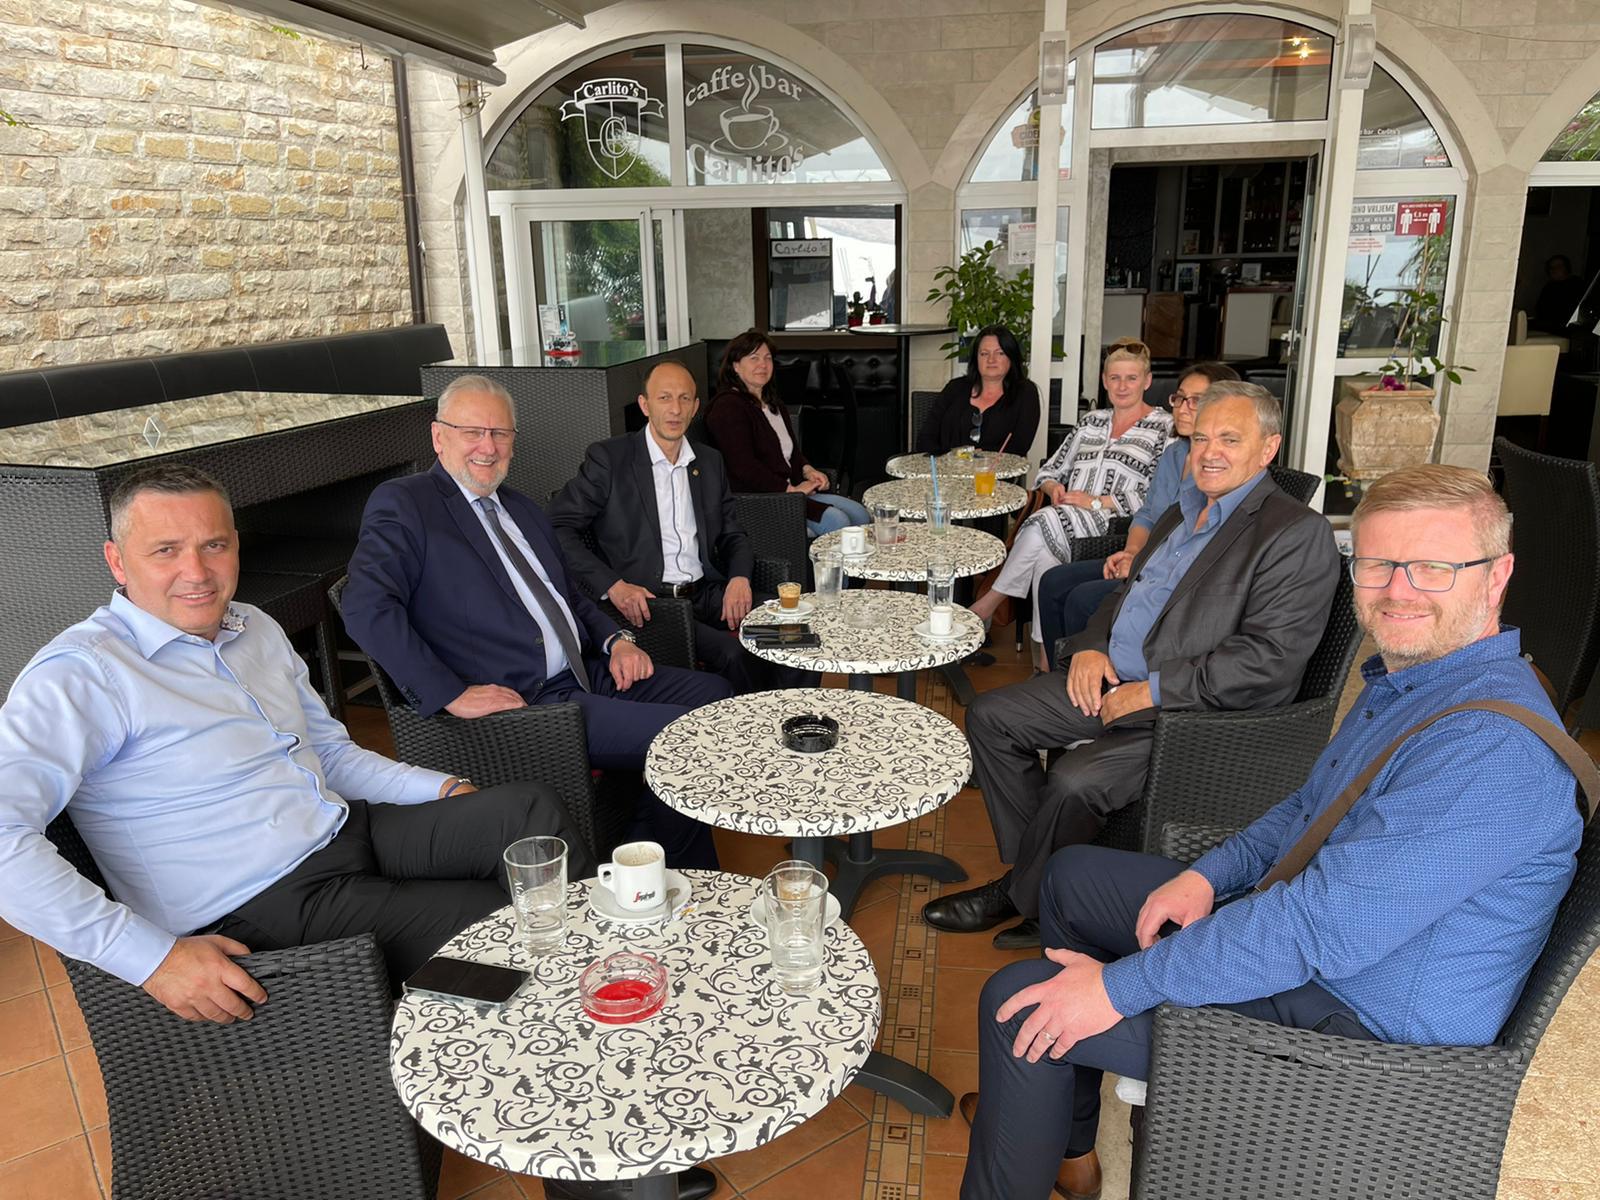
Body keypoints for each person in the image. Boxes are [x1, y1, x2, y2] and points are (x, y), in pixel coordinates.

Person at [959, 463, 1585, 1200]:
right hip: (1330, 949)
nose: (1399, 590)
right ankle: (1065, 1146)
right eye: (1378, 564)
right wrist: (1207, 875)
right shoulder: (1416, 680)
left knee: (1022, 1002)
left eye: (1433, 568)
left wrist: (1117, 990)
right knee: (1072, 877)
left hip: (1362, 1033)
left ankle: (1033, 1108)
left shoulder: (1490, 752)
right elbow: (1308, 809)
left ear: (1497, 575)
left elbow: (1317, 931)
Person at [0, 463, 591, 1015]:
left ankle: (590, 978)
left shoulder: (252, 626)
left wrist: (440, 790)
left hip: (341, 828)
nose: (197, 572)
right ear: (117, 561)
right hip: (261, 900)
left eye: (214, 545)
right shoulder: (83, 674)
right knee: (493, 922)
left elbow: (328, 753)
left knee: (529, 815)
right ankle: (564, 1019)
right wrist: (151, 958)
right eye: (166, 550)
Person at [925, 382, 1339, 950]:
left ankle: (1024, 896)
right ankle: (1037, 885)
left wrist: (1154, 691)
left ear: (1268, 448)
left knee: (1073, 781)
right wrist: (1092, 646)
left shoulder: (1295, 533)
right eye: (1201, 439)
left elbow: (1268, 661)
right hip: (1111, 678)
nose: (1209, 453)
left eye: (1230, 439)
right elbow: (1125, 595)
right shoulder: (1181, 511)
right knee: (992, 716)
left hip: (1190, 714)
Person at [341, 374, 730, 870]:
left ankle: (640, 839)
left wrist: (616, 640)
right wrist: (450, 693)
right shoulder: (407, 503)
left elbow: (567, 595)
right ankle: (689, 874)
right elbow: (365, 606)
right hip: (528, 700)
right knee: (680, 737)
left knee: (716, 695)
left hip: (585, 672)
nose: (488, 447)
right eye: (472, 432)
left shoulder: (521, 508)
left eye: (500, 433)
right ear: (439, 437)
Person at [552, 359, 805, 695]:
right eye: (664, 398)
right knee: (734, 653)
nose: (675, 409)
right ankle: (753, 720)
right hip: (652, 606)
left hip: (707, 595)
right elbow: (557, 526)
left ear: (695, 407)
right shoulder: (610, 459)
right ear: (645, 405)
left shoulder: (708, 461)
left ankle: (787, 712)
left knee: (797, 631)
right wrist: (612, 585)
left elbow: (733, 533)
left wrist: (739, 579)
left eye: (684, 399)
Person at [968, 339, 1174, 673]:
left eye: (1131, 378)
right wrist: (1055, 488)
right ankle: (1046, 663)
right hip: (1065, 515)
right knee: (1046, 561)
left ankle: (988, 603)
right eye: (1115, 378)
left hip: (1115, 523)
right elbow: (1048, 471)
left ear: (1147, 381)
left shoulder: (1164, 427)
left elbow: (1159, 493)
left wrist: (1095, 502)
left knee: (1043, 523)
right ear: (1104, 381)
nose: (1122, 386)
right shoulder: (1091, 421)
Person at [1035, 362, 1240, 668]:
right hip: (1146, 558)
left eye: (1196, 400)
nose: (1183, 408)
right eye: (1180, 398)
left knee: (1082, 599)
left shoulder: (1218, 467)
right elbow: (1148, 515)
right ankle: (1056, 673)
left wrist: (1140, 563)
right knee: (1053, 581)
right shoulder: (1175, 454)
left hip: (1176, 576)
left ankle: (1087, 680)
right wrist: (1132, 553)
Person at [703, 330, 870, 538]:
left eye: (767, 358)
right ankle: (822, 561)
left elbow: (791, 453)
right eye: (754, 358)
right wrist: (790, 491)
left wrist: (808, 470)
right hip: (761, 501)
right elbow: (743, 467)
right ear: (736, 366)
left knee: (860, 514)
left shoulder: (773, 404)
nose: (763, 365)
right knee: (838, 521)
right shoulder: (728, 407)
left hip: (791, 493)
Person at [914, 324, 1041, 457]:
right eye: (984, 353)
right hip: (946, 468)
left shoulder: (1025, 392)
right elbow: (925, 438)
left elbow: (1019, 447)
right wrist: (947, 459)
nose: (991, 360)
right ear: (976, 358)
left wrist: (976, 457)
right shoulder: (955, 388)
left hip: (997, 469)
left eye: (1000, 353)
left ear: (1011, 357)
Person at [1534, 253, 1586, 335]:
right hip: (1548, 327)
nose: (1554, 270)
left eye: (1558, 266)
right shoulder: (1549, 287)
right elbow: (1540, 309)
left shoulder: (1577, 284)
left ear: (1566, 268)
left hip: (1567, 328)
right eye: (1551, 268)